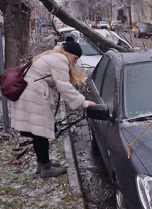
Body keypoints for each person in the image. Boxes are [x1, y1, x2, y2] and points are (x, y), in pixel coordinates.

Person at [10, 41, 95, 178]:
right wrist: (84, 102)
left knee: (38, 132)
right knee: (40, 133)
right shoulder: (60, 59)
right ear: (70, 54)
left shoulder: (53, 56)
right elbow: (64, 86)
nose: (75, 62)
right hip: (34, 96)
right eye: (75, 58)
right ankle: (45, 168)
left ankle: (43, 163)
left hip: (30, 94)